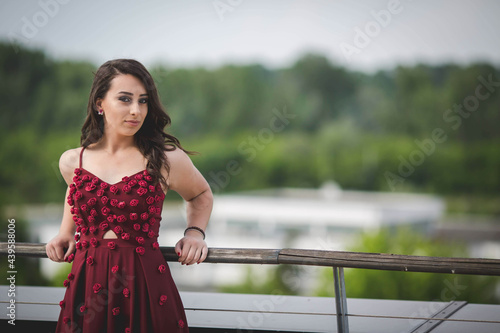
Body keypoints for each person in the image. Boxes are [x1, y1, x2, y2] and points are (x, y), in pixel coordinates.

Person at [45, 59, 213, 332]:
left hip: (145, 286)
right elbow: (75, 190)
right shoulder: (73, 160)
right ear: (100, 103)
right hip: (87, 285)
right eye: (125, 99)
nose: (136, 110)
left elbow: (201, 194)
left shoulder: (165, 159)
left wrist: (194, 233)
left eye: (143, 101)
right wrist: (66, 232)